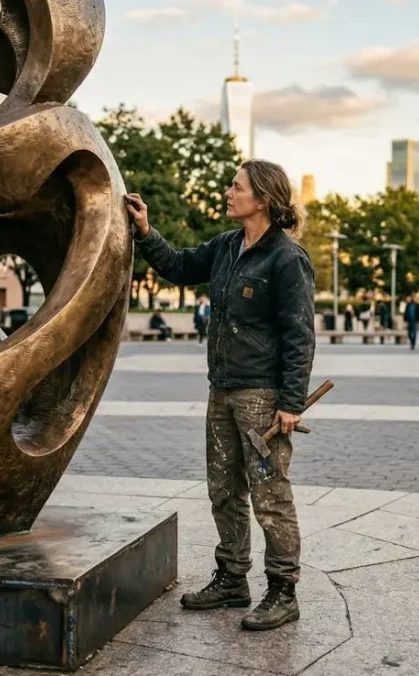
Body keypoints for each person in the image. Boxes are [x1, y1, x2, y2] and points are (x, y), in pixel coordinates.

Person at [126, 158, 315, 632]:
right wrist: (146, 230)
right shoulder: (227, 247)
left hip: (261, 398)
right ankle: (232, 578)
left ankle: (283, 591)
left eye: (237, 187)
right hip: (222, 390)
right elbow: (178, 265)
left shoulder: (287, 259)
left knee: (270, 496)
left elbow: (300, 336)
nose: (228, 192)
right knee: (224, 490)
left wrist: (291, 402)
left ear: (263, 200)